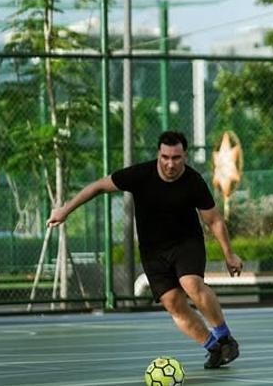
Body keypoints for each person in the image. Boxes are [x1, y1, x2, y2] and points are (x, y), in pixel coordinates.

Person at [47, 131, 244, 369]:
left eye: (176, 158)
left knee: (191, 284)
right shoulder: (141, 175)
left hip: (186, 244)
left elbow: (214, 220)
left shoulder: (193, 181)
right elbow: (98, 186)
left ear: (185, 156)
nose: (170, 163)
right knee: (173, 303)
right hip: (153, 252)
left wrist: (229, 255)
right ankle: (213, 347)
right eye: (165, 157)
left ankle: (225, 337)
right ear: (158, 155)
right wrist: (64, 210)